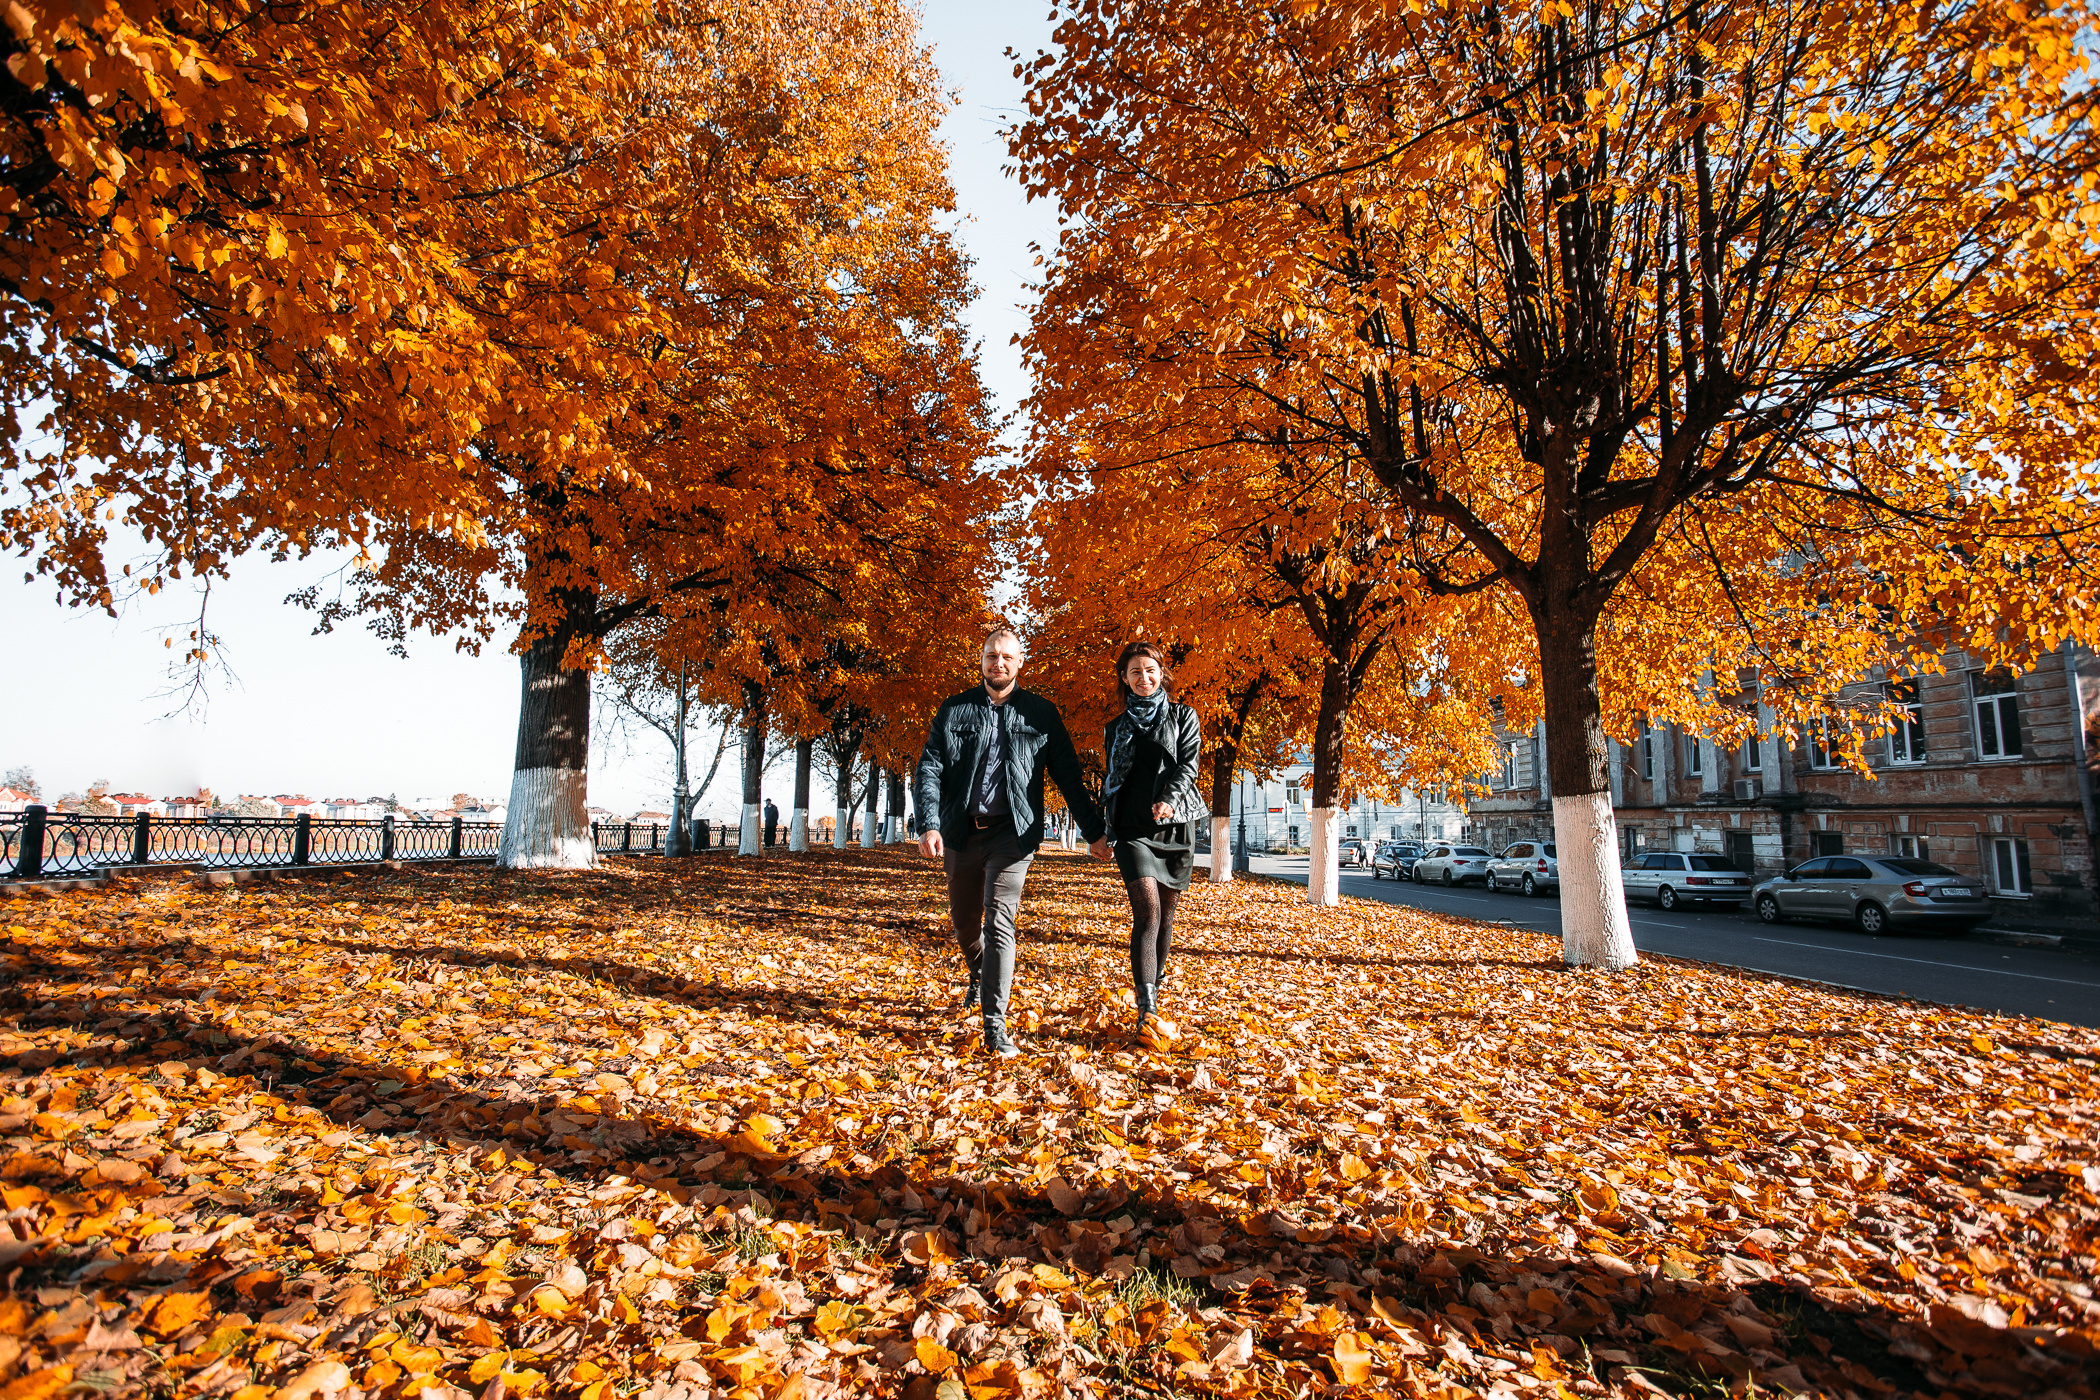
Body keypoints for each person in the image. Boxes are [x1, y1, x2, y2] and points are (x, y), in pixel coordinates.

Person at [914, 626, 1106, 1057]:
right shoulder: (955, 710)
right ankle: (980, 974)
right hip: (962, 831)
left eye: (1006, 657)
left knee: (999, 921)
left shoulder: (1041, 714)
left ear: (1020, 663)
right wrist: (929, 824)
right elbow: (929, 768)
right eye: (990, 656)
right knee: (964, 922)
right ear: (980, 661)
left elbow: (1070, 778)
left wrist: (1093, 832)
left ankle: (993, 1023)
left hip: (1014, 835)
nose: (997, 663)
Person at [1101, 640, 1206, 1034]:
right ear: (1124, 680)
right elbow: (1112, 782)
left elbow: (1188, 764)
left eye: (1149, 670)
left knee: (1166, 917)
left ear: (1161, 673)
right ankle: (1146, 1007)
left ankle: (1155, 987)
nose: (1143, 678)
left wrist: (1168, 798)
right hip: (1132, 830)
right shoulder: (1115, 728)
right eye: (1134, 673)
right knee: (1147, 911)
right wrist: (1103, 832)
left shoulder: (1183, 716)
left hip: (1176, 826)